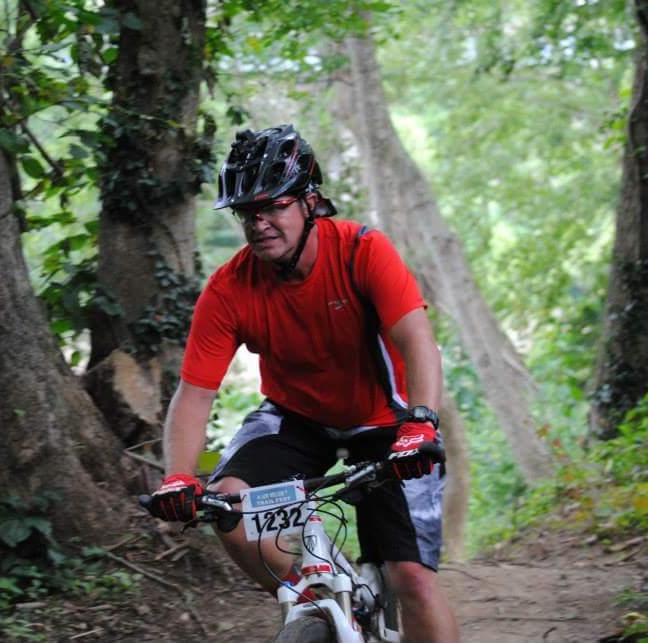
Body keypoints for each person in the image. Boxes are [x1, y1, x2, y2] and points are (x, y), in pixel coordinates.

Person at [145, 124, 460, 641]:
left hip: (389, 422)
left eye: (273, 206)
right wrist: (178, 477)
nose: (259, 223)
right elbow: (195, 393)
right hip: (298, 420)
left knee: (412, 579)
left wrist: (421, 421)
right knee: (228, 506)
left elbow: (417, 341)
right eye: (248, 212)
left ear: (310, 202)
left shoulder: (361, 250)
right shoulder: (229, 288)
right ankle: (313, 602)